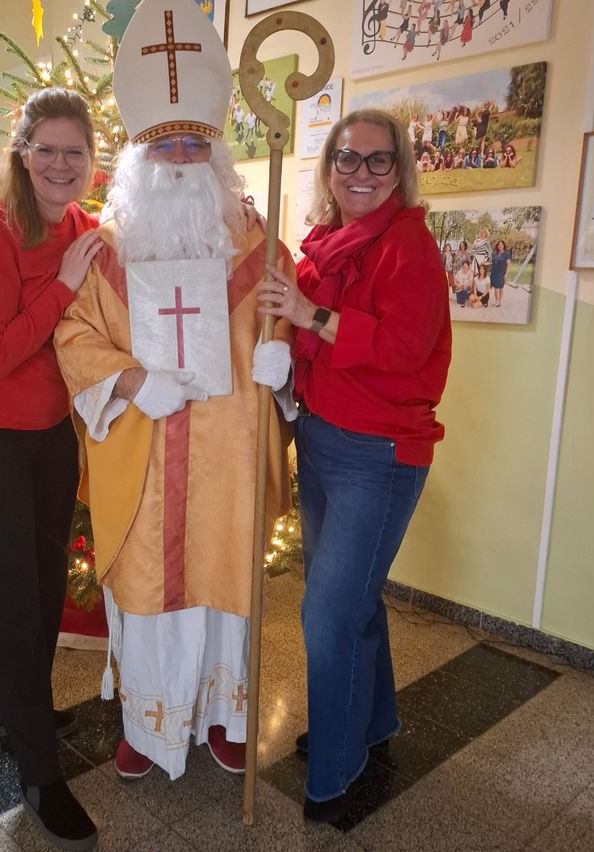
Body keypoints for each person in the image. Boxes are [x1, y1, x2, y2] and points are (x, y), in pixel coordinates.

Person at [54, 0, 293, 783]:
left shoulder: (260, 243)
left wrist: (282, 360)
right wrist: (132, 379)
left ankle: (224, 716)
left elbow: (286, 315)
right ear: (139, 159)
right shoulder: (106, 251)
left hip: (229, 453)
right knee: (148, 589)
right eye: (166, 145)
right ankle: (148, 725)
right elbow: (73, 337)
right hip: (145, 449)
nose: (183, 158)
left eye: (196, 142)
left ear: (217, 153)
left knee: (226, 585)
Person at [256, 108, 451, 822]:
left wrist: (309, 314)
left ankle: (335, 772)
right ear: (330, 167)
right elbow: (294, 311)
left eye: (377, 160)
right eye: (347, 158)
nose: (360, 172)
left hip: (379, 454)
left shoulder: (409, 246)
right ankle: (371, 722)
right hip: (322, 439)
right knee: (351, 601)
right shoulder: (325, 243)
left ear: (399, 170)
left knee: (327, 614)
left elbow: (401, 348)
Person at [0, 87, 104, 850]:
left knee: (42, 582)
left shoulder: (84, 228)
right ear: (24, 153)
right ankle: (41, 774)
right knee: (11, 598)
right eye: (48, 150)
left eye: (76, 151)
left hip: (49, 430)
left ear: (91, 160)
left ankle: (5, 710)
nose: (62, 164)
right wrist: (64, 281)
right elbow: (0, 351)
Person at [490, 238, 512, 306]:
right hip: (494, 272)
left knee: (499, 287)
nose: (500, 246)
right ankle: (498, 301)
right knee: (497, 287)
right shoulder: (494, 253)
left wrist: (506, 274)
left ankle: (498, 301)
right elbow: (492, 262)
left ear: (503, 246)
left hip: (501, 273)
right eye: (499, 245)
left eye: (501, 245)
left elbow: (508, 264)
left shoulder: (506, 254)